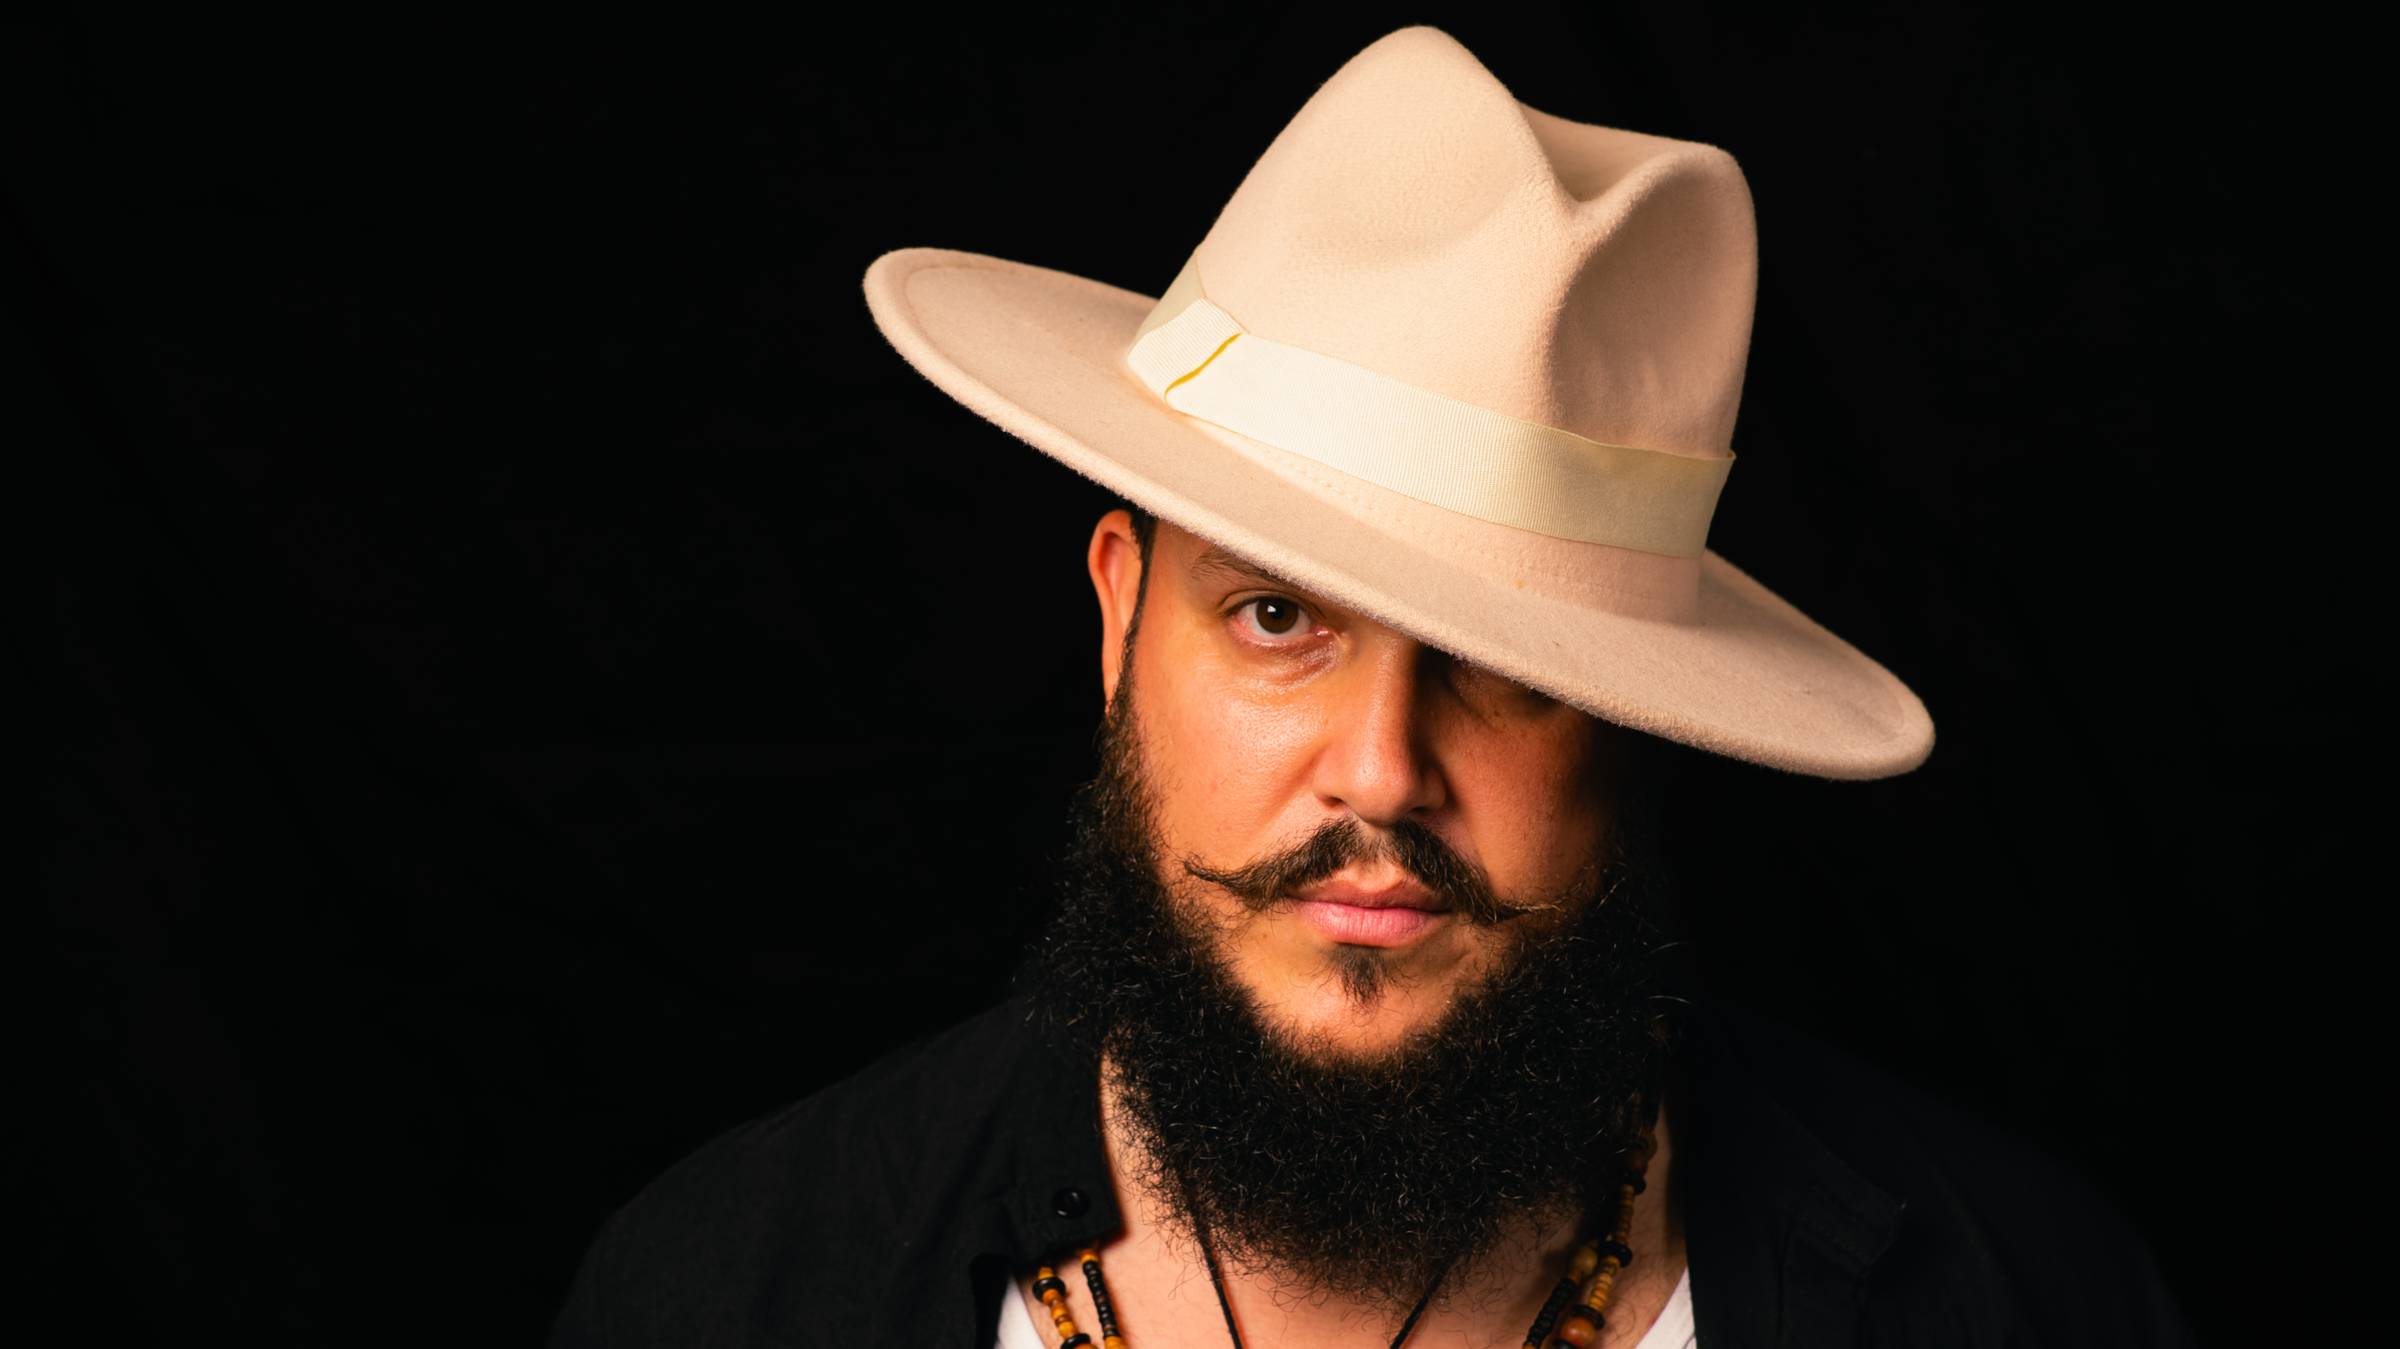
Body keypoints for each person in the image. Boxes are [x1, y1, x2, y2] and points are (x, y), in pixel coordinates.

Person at [548, 25, 2196, 1349]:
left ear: (1635, 716)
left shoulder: (2015, 1300)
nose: (1384, 769)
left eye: (1507, 665)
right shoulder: (730, 1289)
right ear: (1120, 619)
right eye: (1277, 616)